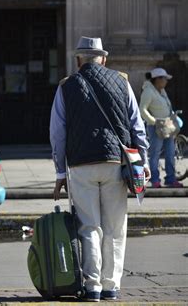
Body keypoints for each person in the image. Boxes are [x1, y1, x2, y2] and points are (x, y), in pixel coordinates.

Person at [50, 37, 150, 302]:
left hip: (81, 166)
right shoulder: (122, 82)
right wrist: (144, 162)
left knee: (89, 227)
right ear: (103, 59)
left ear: (78, 60)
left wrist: (60, 173)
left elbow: (57, 134)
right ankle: (111, 286)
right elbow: (136, 126)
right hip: (115, 164)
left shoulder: (66, 87)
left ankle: (92, 286)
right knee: (115, 228)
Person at [139, 68, 183, 188]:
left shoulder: (161, 91)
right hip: (155, 128)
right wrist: (154, 121)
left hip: (167, 126)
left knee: (170, 153)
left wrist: (172, 118)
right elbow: (142, 109)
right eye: (164, 78)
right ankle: (155, 180)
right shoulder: (148, 91)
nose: (166, 81)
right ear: (157, 79)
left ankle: (170, 179)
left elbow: (167, 107)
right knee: (155, 154)